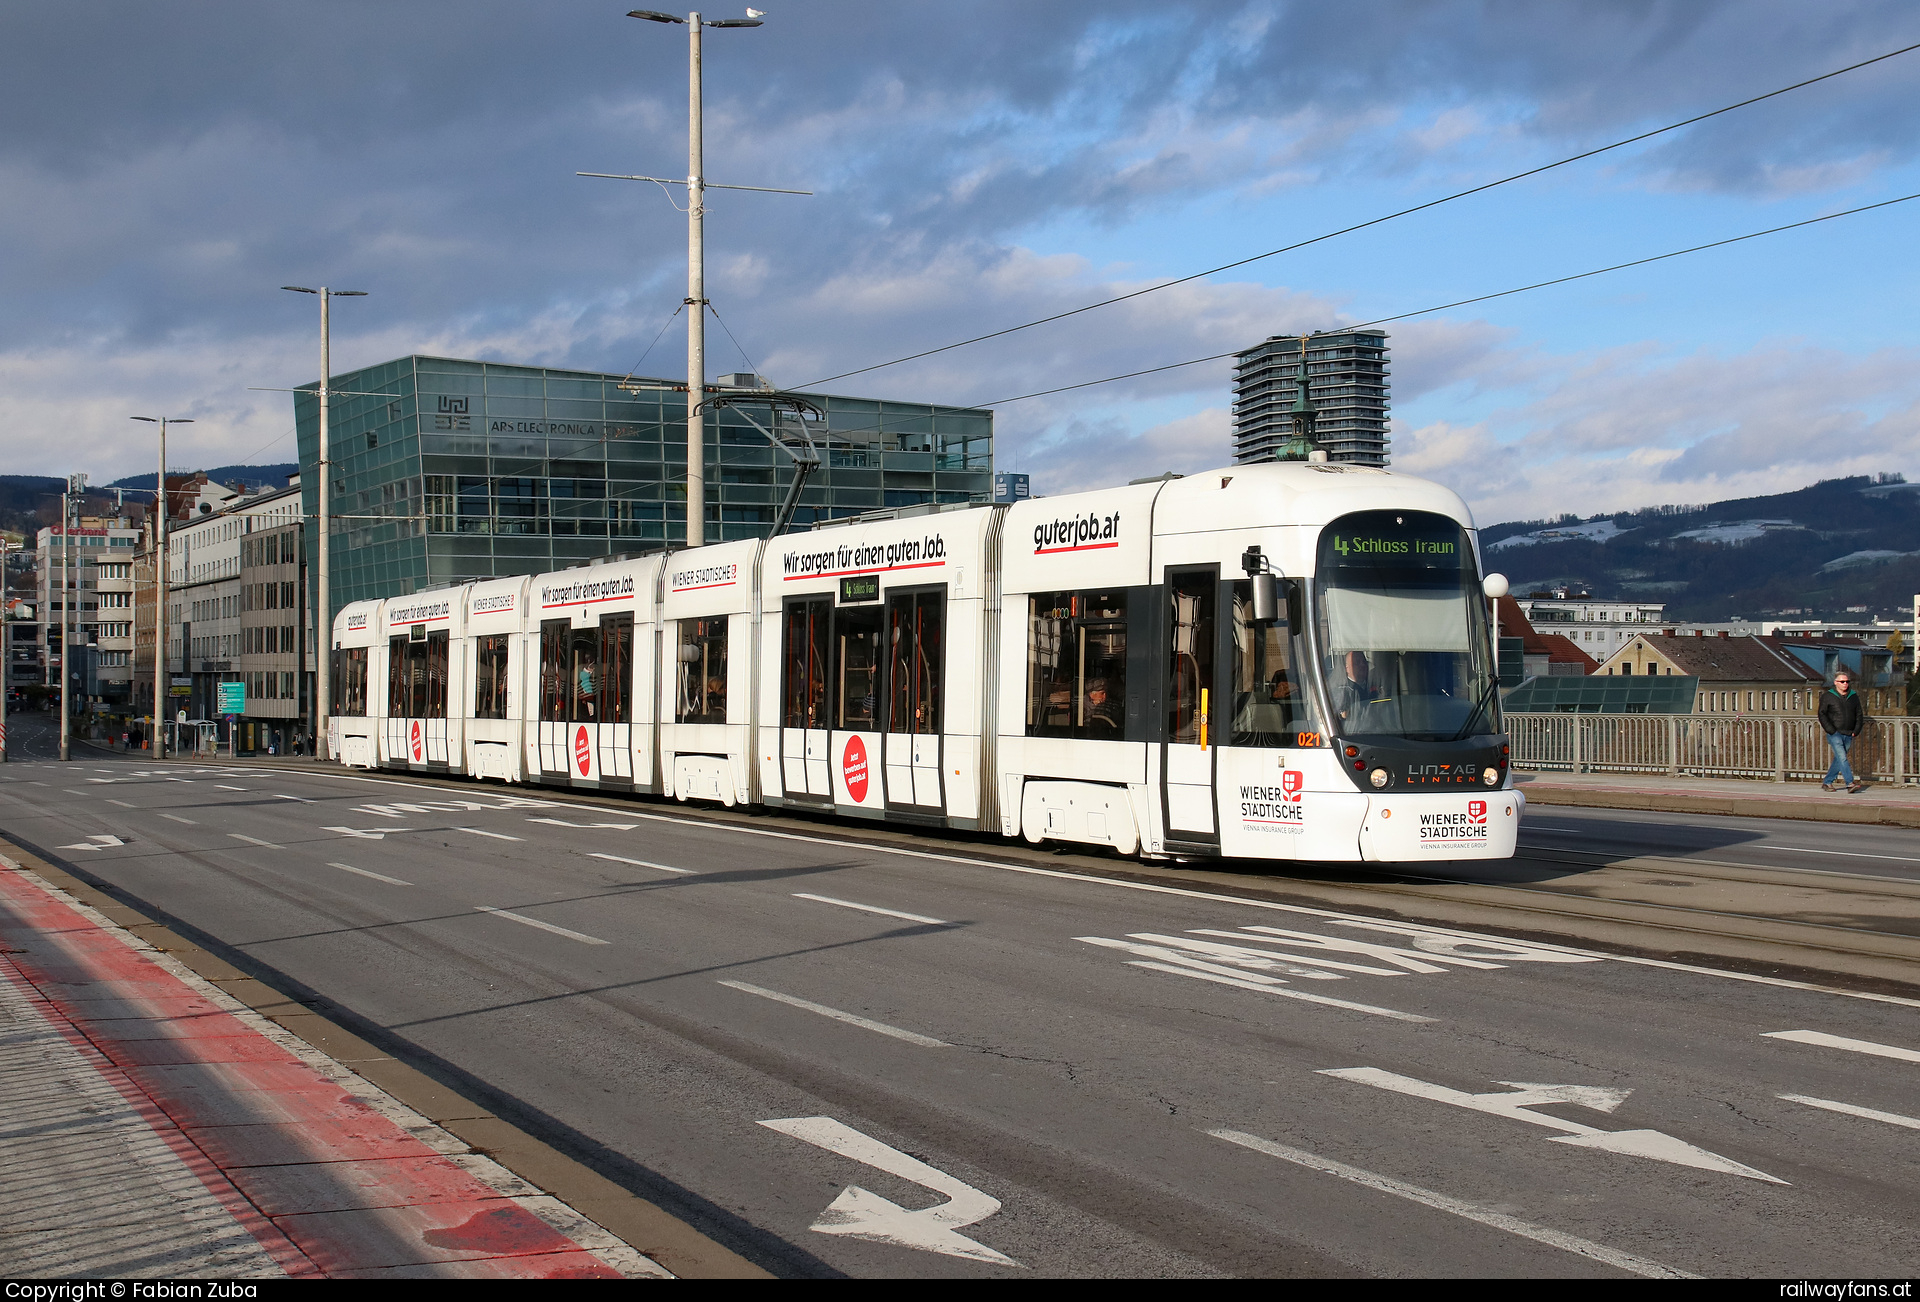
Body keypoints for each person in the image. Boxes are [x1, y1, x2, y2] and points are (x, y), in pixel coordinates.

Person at [1818, 671, 1868, 793]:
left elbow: (1859, 714)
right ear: (1836, 683)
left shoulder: (1853, 696)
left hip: (1849, 733)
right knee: (1842, 757)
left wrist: (1856, 730)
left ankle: (1827, 782)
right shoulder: (1828, 696)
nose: (1845, 684)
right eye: (1842, 681)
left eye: (1847, 681)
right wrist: (1830, 730)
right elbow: (1821, 714)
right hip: (1834, 733)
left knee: (1839, 759)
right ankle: (1850, 783)